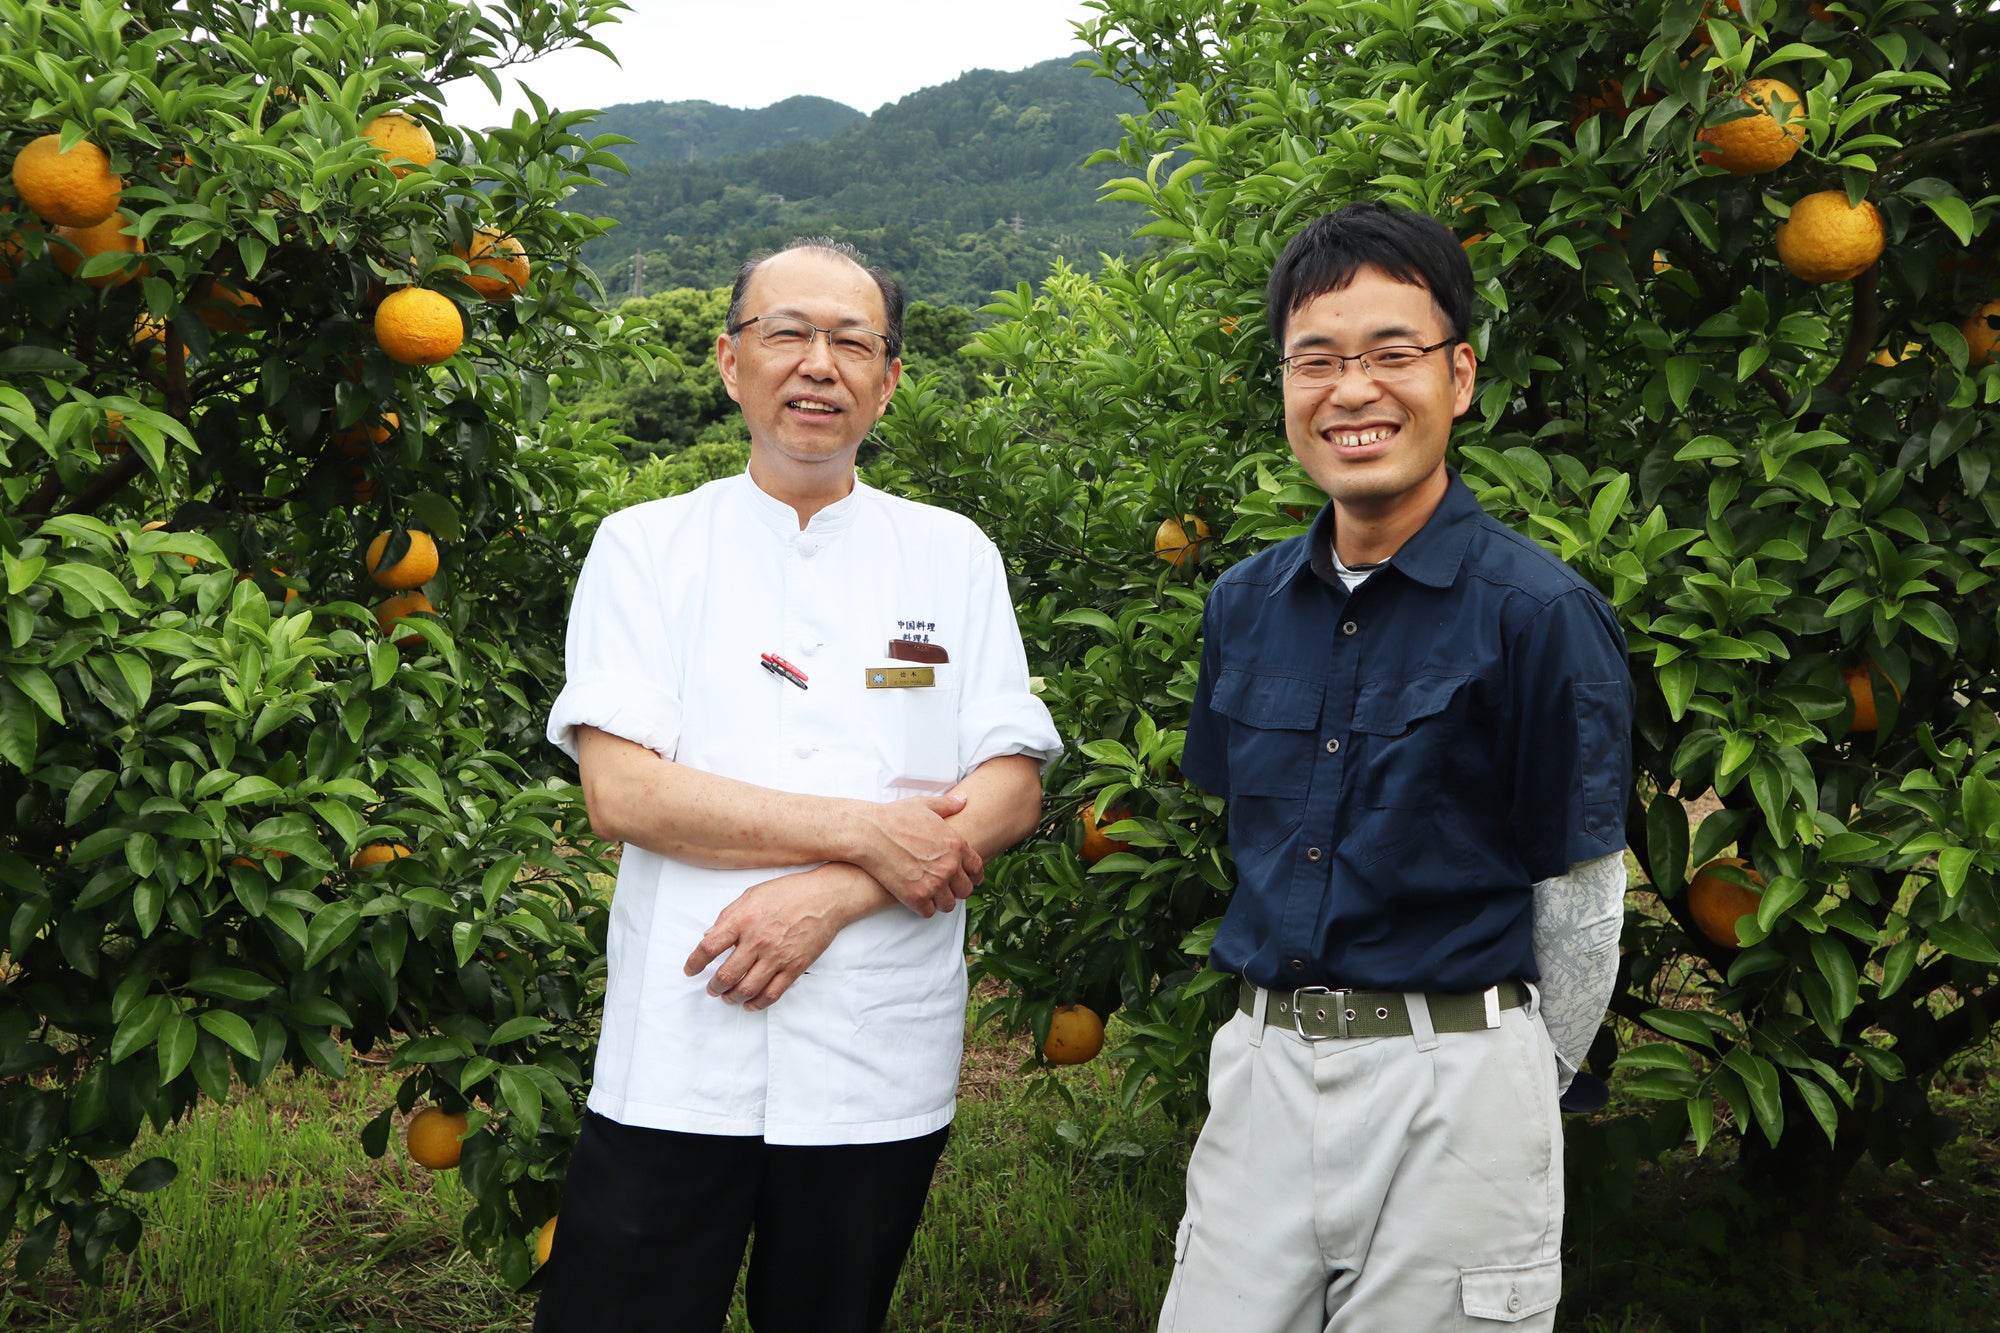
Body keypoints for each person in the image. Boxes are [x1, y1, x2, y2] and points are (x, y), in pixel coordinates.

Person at [535, 237, 1059, 1333]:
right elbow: (624, 794)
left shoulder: (951, 554)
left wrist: (826, 893)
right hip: (682, 1037)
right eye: (787, 334)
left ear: (888, 379)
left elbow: (1007, 785)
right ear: (731, 363)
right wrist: (873, 836)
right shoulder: (645, 548)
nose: (818, 364)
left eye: (851, 341)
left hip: (875, 1046)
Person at [1157, 201, 1633, 1332]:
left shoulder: (1539, 614)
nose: (1351, 390)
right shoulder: (1241, 603)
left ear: (1458, 377)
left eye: (1390, 354)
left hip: (1457, 1084)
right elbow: (1247, 833)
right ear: (1282, 385)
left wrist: (1516, 1078)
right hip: (1263, 1077)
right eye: (1315, 359)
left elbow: (1579, 898)